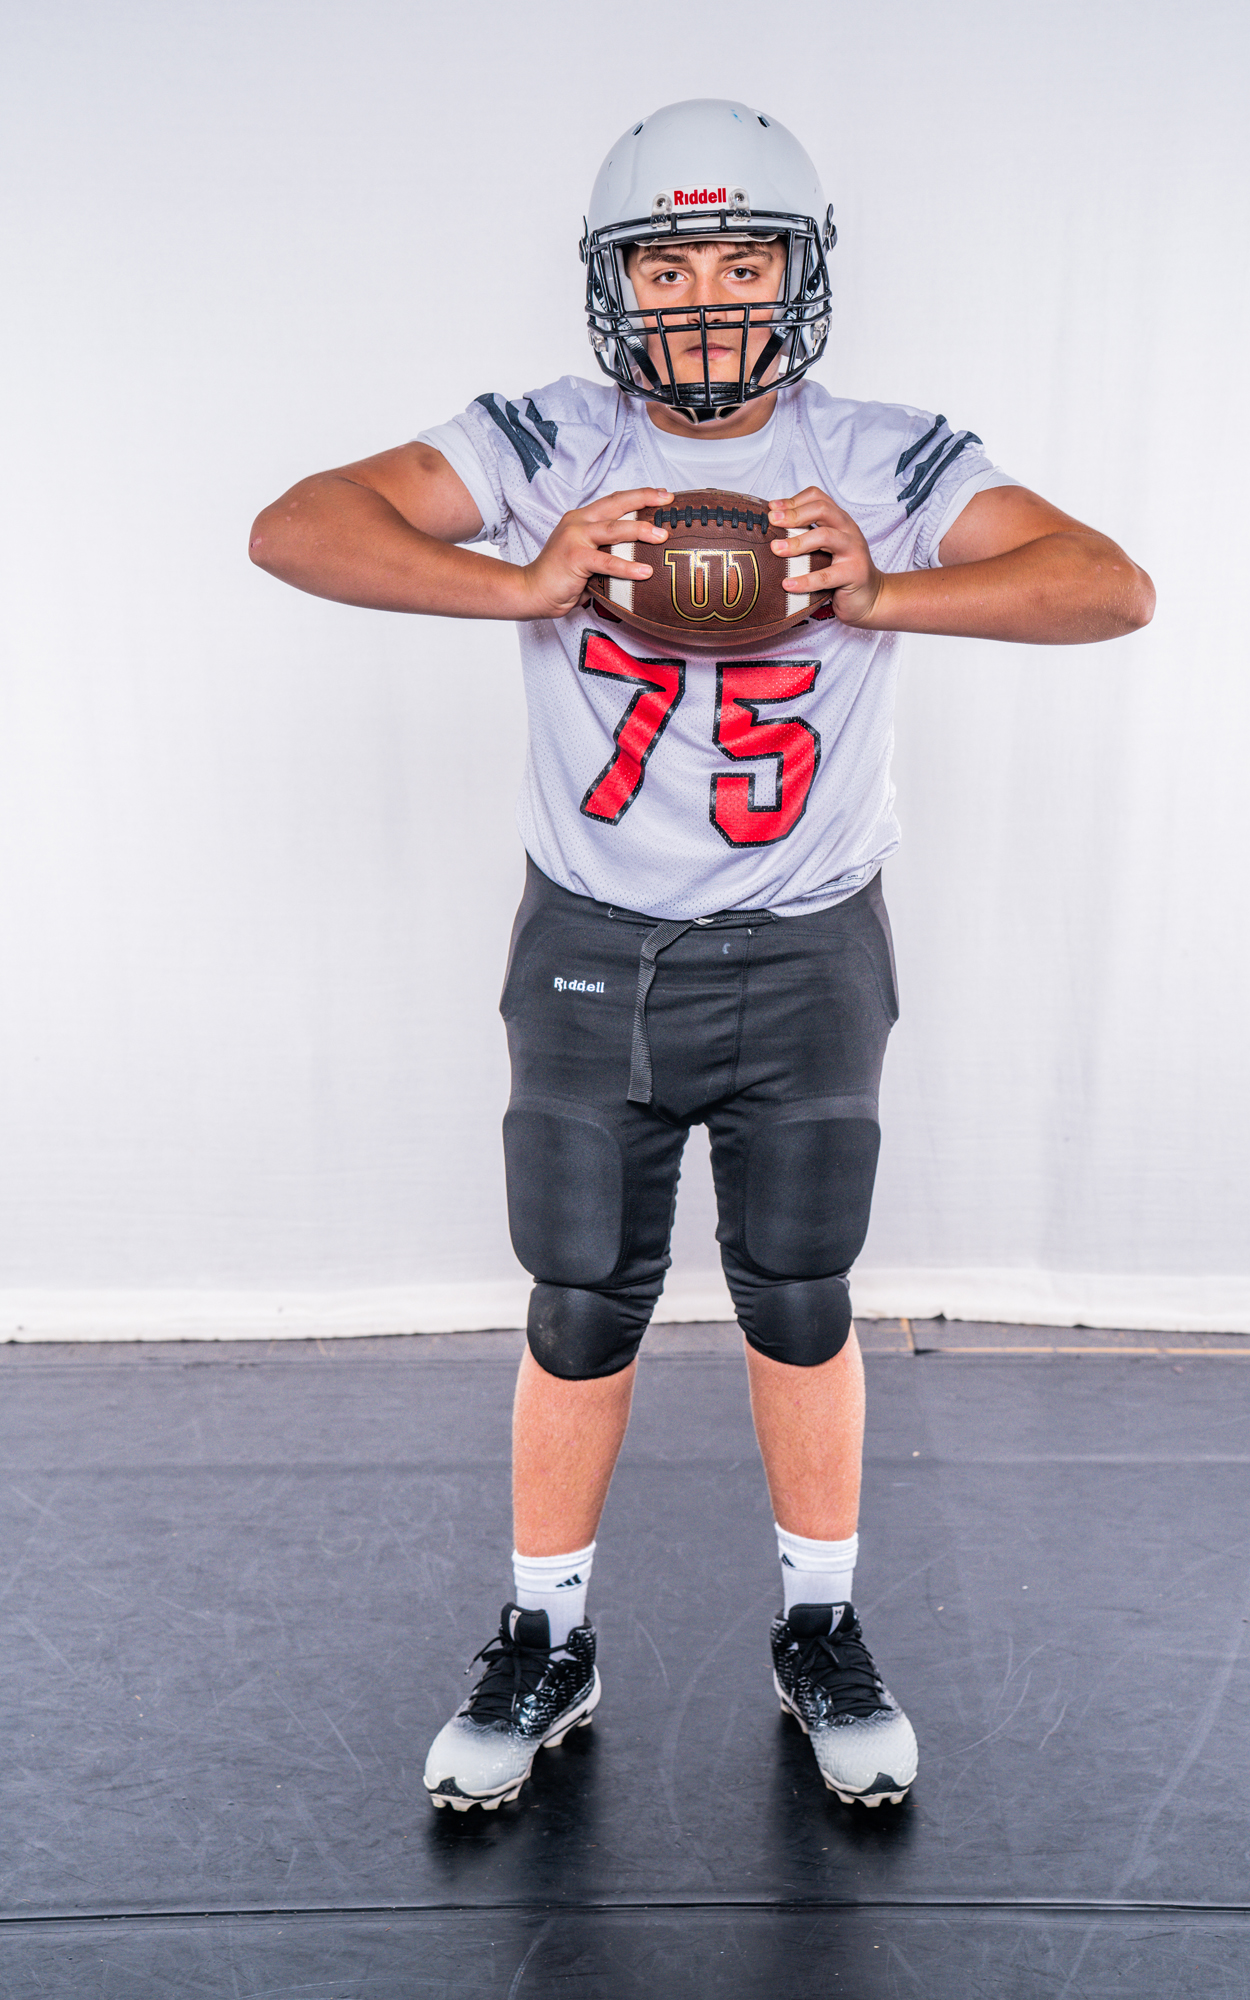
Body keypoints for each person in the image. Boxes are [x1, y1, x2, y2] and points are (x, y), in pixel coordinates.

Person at [249, 98, 1153, 1815]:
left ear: (799, 275)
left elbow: (1107, 585)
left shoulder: (882, 454)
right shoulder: (544, 440)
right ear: (615, 284)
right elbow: (295, 526)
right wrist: (523, 581)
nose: (707, 301)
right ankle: (546, 1638)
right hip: (592, 937)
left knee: (798, 1291)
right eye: (668, 268)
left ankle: (819, 1627)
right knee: (579, 1294)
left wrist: (879, 593)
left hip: (808, 941)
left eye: (741, 262)